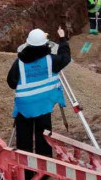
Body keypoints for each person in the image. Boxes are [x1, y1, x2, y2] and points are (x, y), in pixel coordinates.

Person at [6, 27, 71, 168]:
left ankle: (26, 172)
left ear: (28, 44)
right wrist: (62, 39)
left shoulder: (19, 63)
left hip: (25, 108)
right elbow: (65, 58)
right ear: (45, 44)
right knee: (44, 137)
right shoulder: (51, 61)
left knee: (24, 139)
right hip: (44, 106)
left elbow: (11, 83)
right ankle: (44, 171)